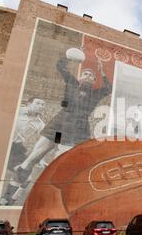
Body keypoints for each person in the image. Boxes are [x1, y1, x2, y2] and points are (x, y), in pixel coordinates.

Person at [7, 50, 111, 198]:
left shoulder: (96, 93)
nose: (88, 76)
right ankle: (9, 195)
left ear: (94, 81)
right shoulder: (72, 82)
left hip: (77, 130)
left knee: (61, 165)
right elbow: (60, 66)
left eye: (91, 75)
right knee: (33, 157)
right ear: (80, 77)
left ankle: (49, 196)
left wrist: (102, 72)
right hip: (59, 126)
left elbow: (108, 88)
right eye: (85, 74)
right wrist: (70, 57)